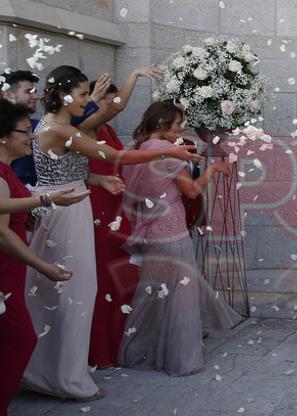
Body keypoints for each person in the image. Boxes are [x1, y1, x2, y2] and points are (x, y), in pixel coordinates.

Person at [21, 66, 201, 401]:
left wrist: (134, 75)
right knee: (76, 292)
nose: (89, 101)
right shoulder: (60, 130)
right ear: (64, 96)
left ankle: (46, 370)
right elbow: (115, 155)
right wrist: (169, 151)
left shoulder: (60, 127)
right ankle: (67, 379)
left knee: (57, 293)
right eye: (83, 94)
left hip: (65, 208)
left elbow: (109, 113)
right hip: (65, 214)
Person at [118, 101, 241, 376]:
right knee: (181, 293)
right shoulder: (168, 153)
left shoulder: (137, 149)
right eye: (177, 125)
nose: (181, 130)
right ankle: (182, 358)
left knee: (151, 291)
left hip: (149, 230)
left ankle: (138, 350)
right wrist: (213, 171)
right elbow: (193, 192)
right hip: (171, 227)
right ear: (162, 125)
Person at [0, 99, 89, 416]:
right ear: (3, 136)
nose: (32, 137)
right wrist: (44, 266)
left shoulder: (7, 171)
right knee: (21, 338)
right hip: (3, 271)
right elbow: (2, 230)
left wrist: (35, 212)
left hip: (10, 269)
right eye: (25, 131)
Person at [80, 66, 163, 368]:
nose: (111, 108)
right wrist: (135, 75)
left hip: (117, 205)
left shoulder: (108, 130)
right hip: (98, 208)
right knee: (104, 279)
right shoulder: (86, 128)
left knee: (122, 278)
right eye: (105, 102)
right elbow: (119, 105)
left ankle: (119, 345)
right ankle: (100, 350)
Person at [3, 71, 40, 186]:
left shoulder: (38, 124)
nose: (35, 97)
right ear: (8, 95)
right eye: (28, 92)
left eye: (35, 92)